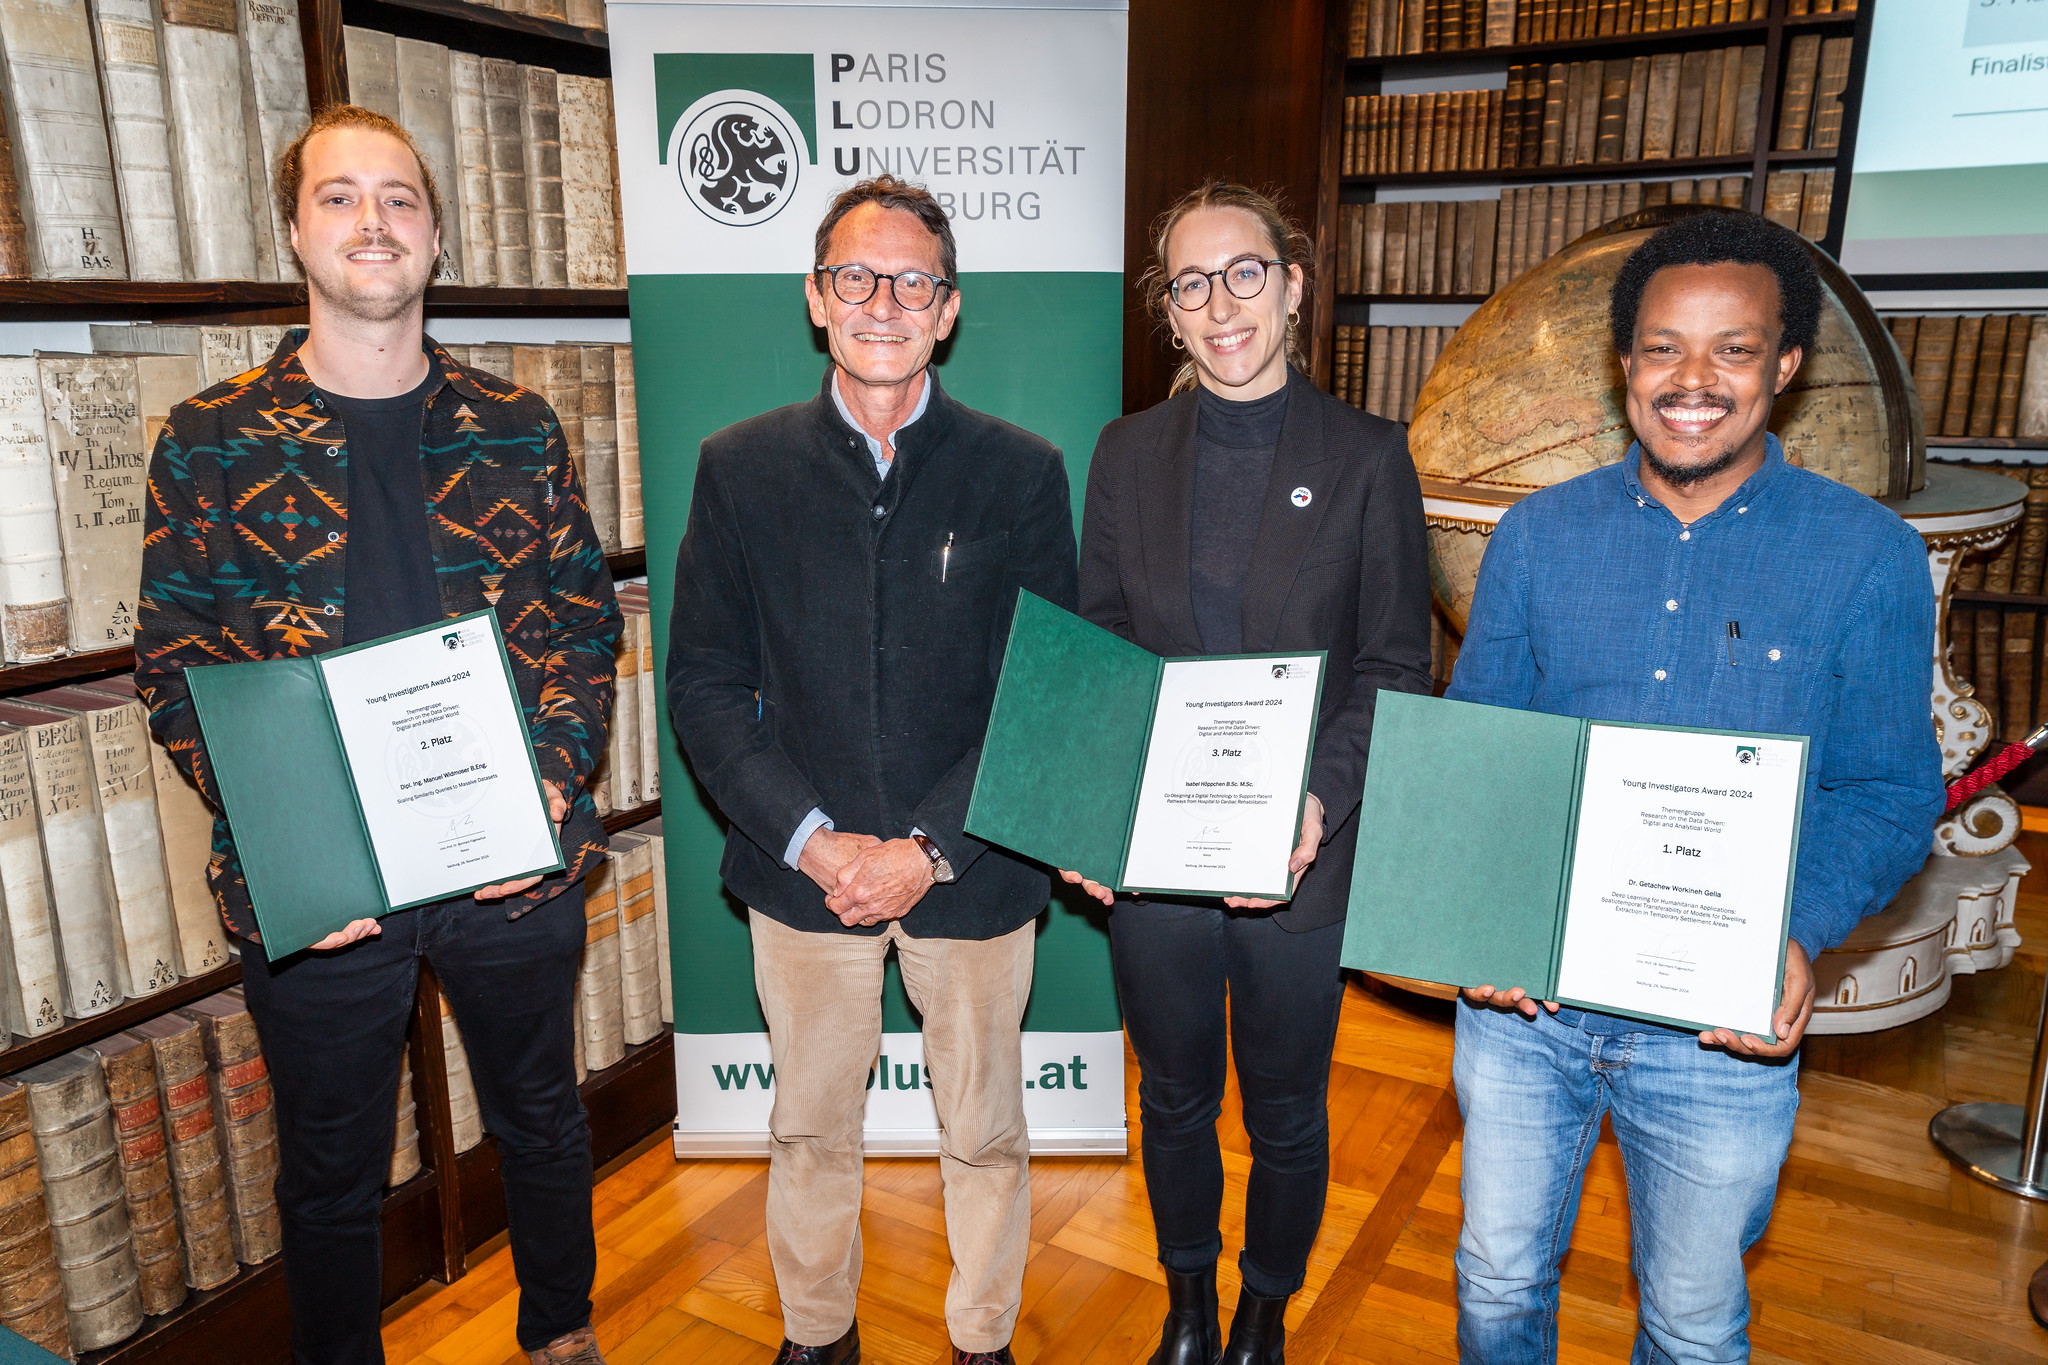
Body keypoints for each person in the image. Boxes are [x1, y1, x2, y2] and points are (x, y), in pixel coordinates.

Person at [134, 106, 620, 1365]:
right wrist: (297, 845)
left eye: (400, 198)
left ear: (437, 237)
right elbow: (175, 661)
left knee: (540, 1119)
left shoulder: (520, 427)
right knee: (330, 1170)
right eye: (339, 196)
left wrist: (546, 791)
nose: (373, 221)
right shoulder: (208, 438)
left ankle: (561, 1335)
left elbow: (580, 626)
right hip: (320, 882)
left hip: (507, 858)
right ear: (295, 234)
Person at [1446, 210, 1944, 1364]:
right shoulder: (1534, 537)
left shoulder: (1867, 557)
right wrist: (1480, 913)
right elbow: (1479, 746)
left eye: (1731, 349)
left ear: (1784, 364)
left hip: (1719, 1027)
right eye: (1663, 347)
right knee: (1493, 1281)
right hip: (1525, 1012)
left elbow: (1884, 789)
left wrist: (1796, 930)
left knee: (1690, 1325)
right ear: (1623, 363)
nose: (1691, 380)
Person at [665, 175, 1079, 1365]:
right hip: (802, 873)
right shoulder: (738, 467)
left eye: (911, 282)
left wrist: (928, 848)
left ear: (947, 309)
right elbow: (702, 684)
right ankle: (816, 1336)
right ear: (815, 297)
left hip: (974, 868)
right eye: (855, 276)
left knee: (984, 1131)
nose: (882, 302)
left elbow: (1041, 691)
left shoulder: (1019, 470)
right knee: (807, 1129)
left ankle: (982, 1339)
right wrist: (814, 840)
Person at [1063, 181, 1433, 1365]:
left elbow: (1395, 662)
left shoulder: (1368, 456)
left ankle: (1262, 1312)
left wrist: (1315, 802)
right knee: (1172, 1095)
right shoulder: (1125, 453)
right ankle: (1185, 1307)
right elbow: (1101, 643)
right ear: (1166, 309)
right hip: (1158, 850)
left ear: (1291, 285)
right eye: (1190, 283)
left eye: (1243, 274)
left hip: (1298, 854)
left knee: (1282, 1106)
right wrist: (1091, 810)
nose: (1220, 305)